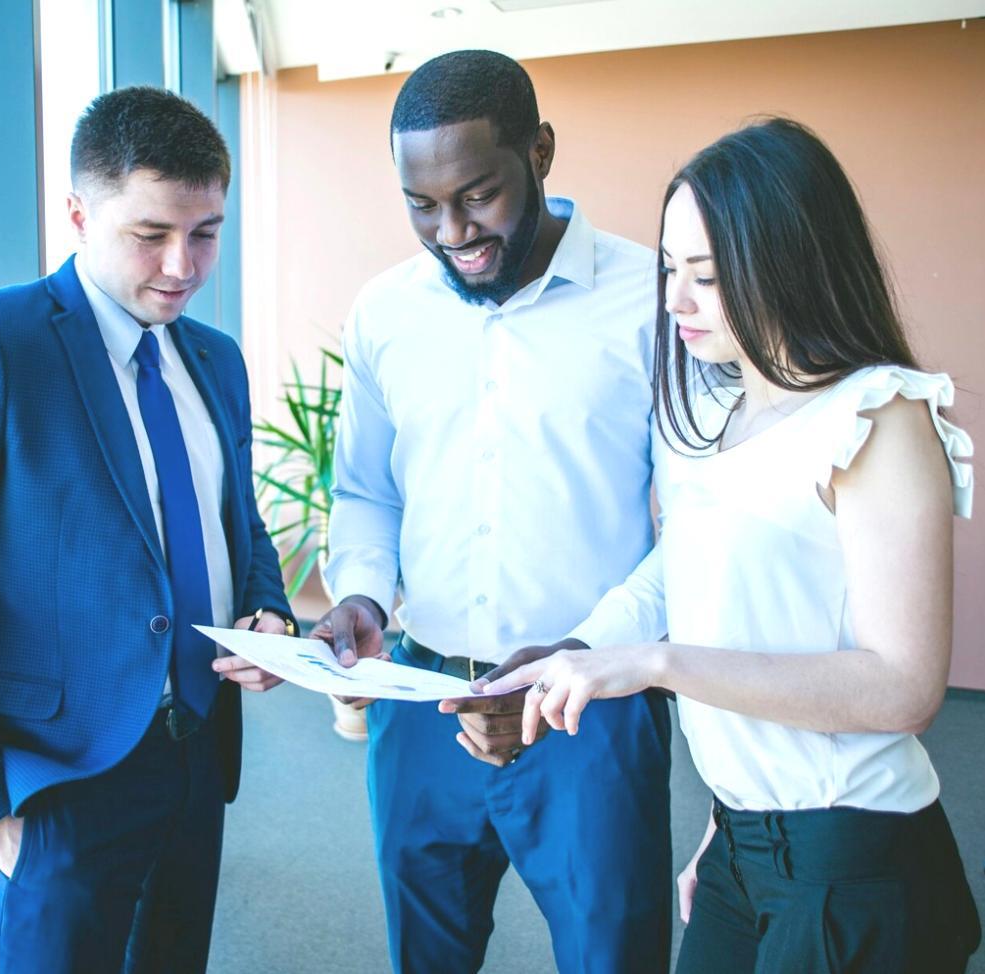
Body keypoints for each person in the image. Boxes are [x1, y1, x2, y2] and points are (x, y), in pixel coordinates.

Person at [486, 117, 984, 972]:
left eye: (708, 278)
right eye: (670, 270)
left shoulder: (879, 417)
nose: (675, 301)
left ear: (790, 264)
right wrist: (579, 651)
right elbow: (679, 572)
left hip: (849, 853)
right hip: (743, 840)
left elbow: (903, 689)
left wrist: (657, 664)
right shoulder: (715, 410)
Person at [0, 86, 294, 973]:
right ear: (78, 212)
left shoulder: (216, 360)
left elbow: (239, 523)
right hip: (51, 794)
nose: (183, 265)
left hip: (196, 765)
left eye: (205, 233)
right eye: (150, 234)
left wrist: (268, 612)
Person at [315, 50, 673, 973]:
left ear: (541, 152)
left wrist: (579, 662)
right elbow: (364, 490)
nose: (451, 231)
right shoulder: (384, 313)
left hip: (590, 714)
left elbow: (696, 529)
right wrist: (358, 594)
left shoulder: (657, 302)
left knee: (612, 957)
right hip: (421, 703)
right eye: (421, 205)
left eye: (477, 194)